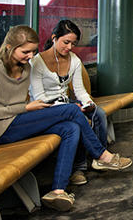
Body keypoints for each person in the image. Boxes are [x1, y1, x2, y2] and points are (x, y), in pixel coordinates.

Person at [0, 25, 132, 212]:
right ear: (9, 47)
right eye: (25, 52)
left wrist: (27, 109)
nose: (31, 56)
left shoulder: (25, 68)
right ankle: (102, 155)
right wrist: (25, 107)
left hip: (20, 121)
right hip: (0, 130)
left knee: (71, 128)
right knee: (72, 111)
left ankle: (57, 190)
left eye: (33, 51)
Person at [30, 19, 109, 187]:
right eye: (66, 42)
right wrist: (72, 108)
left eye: (73, 43)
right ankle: (78, 168)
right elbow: (39, 98)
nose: (70, 47)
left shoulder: (74, 60)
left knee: (98, 113)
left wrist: (87, 102)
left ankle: (99, 158)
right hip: (45, 109)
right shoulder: (37, 62)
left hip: (68, 104)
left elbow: (79, 90)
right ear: (54, 38)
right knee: (76, 119)